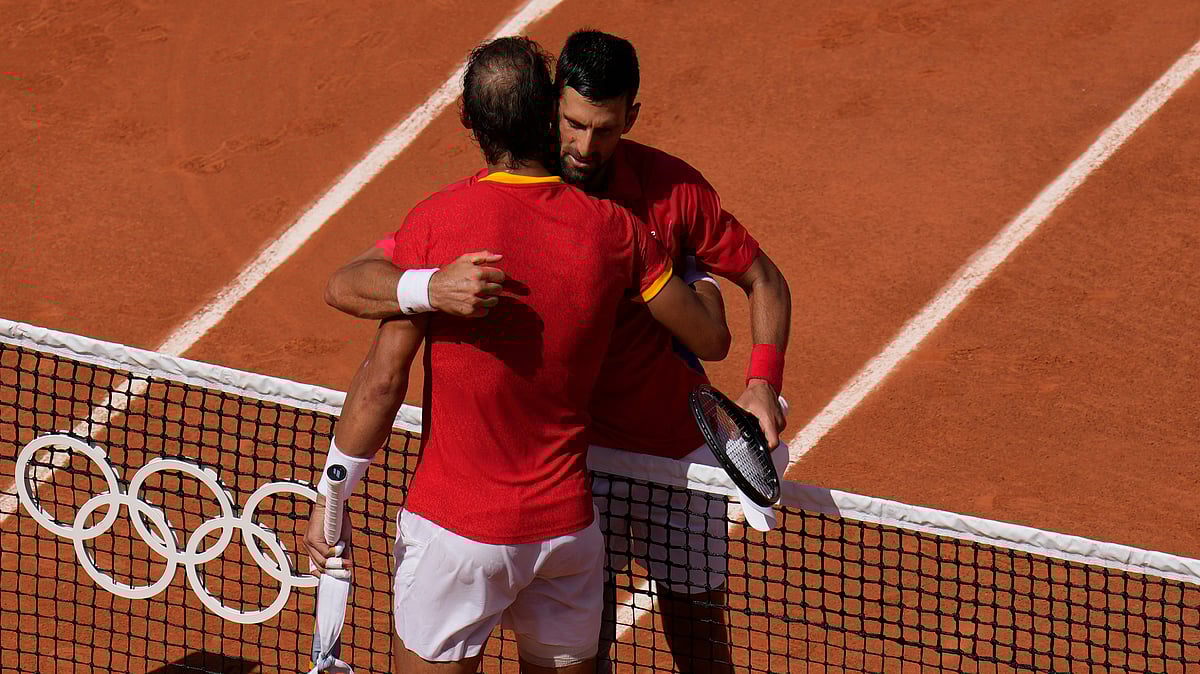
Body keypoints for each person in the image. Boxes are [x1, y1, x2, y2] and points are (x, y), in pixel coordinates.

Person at [323, 30, 792, 673]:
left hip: (668, 460)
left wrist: (762, 380)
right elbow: (352, 285)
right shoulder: (576, 225)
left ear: (630, 116)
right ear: (550, 111)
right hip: (580, 472)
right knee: (586, 648)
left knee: (701, 647)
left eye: (604, 129)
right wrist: (431, 285)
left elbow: (751, 294)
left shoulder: (667, 195)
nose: (585, 145)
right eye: (572, 124)